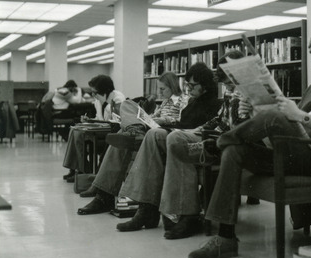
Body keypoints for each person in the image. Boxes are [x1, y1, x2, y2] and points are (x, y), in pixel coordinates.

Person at [188, 30, 311, 258]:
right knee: (235, 150)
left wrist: (299, 115)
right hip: (294, 151)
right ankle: (226, 238)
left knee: (273, 117)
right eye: (310, 53)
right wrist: (255, 112)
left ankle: (217, 144)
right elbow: (288, 128)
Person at [117, 50, 248, 236]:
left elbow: (238, 129)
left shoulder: (249, 94)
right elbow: (219, 120)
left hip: (219, 143)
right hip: (207, 134)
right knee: (154, 135)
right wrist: (196, 130)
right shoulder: (229, 92)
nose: (228, 85)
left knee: (175, 139)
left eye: (230, 80)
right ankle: (147, 208)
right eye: (225, 81)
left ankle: (186, 215)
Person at [77, 63, 221, 216]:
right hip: (168, 130)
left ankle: (119, 197)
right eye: (187, 85)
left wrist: (167, 123)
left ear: (204, 85)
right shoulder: (192, 102)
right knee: (123, 127)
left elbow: (200, 129)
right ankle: (103, 193)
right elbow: (180, 120)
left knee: (135, 135)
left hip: (176, 137)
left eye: (192, 85)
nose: (189, 89)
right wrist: (158, 120)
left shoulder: (213, 104)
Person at [75, 71, 188, 199]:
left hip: (165, 131)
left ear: (172, 86)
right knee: (127, 106)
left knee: (122, 133)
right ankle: (133, 130)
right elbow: (155, 116)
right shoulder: (164, 102)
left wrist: (165, 120)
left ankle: (100, 187)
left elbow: (184, 121)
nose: (160, 93)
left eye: (163, 89)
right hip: (152, 127)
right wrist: (148, 118)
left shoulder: (183, 100)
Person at [62, 75, 125, 182]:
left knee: (78, 134)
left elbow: (117, 122)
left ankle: (82, 171)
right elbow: (99, 117)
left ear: (104, 90)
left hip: (111, 131)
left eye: (95, 92)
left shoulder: (117, 99)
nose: (93, 95)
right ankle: (76, 169)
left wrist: (97, 121)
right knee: (75, 130)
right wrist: (89, 119)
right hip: (102, 128)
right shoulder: (98, 100)